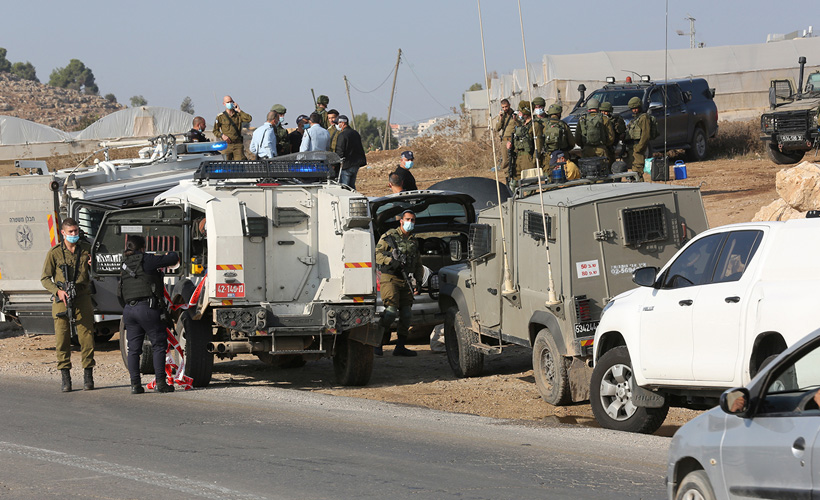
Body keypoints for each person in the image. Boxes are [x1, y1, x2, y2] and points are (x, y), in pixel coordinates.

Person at [120, 235, 180, 394]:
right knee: (159, 345)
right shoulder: (146, 259)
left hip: (129, 310)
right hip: (147, 309)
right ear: (142, 247)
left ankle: (135, 385)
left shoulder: (124, 264)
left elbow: (120, 290)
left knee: (133, 350)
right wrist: (169, 254)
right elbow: (173, 259)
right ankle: (161, 383)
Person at [40, 218, 95, 392]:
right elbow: (45, 278)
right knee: (62, 337)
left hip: (82, 295)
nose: (74, 235)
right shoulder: (55, 253)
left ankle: (88, 375)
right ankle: (65, 377)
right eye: (70, 232)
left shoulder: (87, 249)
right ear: (63, 233)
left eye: (76, 231)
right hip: (62, 298)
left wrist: (94, 265)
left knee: (86, 336)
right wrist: (58, 292)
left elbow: (97, 273)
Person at [374, 209, 424, 357]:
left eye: (413, 220)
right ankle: (377, 343)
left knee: (407, 314)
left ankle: (400, 346)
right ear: (401, 221)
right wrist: (391, 261)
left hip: (405, 279)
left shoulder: (413, 240)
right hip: (390, 277)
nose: (410, 222)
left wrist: (419, 280)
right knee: (390, 312)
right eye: (408, 219)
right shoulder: (389, 236)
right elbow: (377, 254)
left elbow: (418, 263)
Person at [509, 100, 540, 188]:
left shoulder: (535, 125)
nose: (519, 113)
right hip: (518, 157)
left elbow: (538, 144)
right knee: (515, 182)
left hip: (528, 157)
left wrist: (534, 160)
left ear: (525, 112)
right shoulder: (522, 125)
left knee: (530, 183)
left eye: (520, 112)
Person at [213, 95, 252, 160]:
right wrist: (222, 135)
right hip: (226, 145)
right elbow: (215, 131)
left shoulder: (238, 115)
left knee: (240, 163)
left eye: (231, 102)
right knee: (225, 164)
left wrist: (239, 110)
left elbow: (249, 119)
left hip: (237, 144)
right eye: (228, 102)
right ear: (224, 104)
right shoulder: (220, 117)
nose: (229, 103)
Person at [334, 115, 367, 188]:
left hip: (346, 165)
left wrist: (335, 164)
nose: (337, 125)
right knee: (352, 186)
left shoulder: (342, 135)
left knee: (345, 187)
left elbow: (340, 152)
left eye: (337, 123)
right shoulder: (355, 133)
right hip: (355, 164)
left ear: (342, 123)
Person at [625, 96, 651, 181]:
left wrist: (640, 147)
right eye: (632, 108)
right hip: (633, 147)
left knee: (638, 171)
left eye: (636, 108)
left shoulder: (644, 118)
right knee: (633, 170)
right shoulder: (635, 119)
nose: (634, 110)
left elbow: (645, 135)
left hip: (638, 146)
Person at [495, 99, 517, 173]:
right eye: (503, 107)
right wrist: (501, 119)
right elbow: (497, 128)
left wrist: (516, 120)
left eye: (506, 107)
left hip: (513, 140)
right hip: (504, 141)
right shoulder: (502, 116)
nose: (505, 109)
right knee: (505, 161)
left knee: (515, 159)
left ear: (509, 105)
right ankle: (507, 178)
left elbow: (520, 125)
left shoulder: (515, 115)